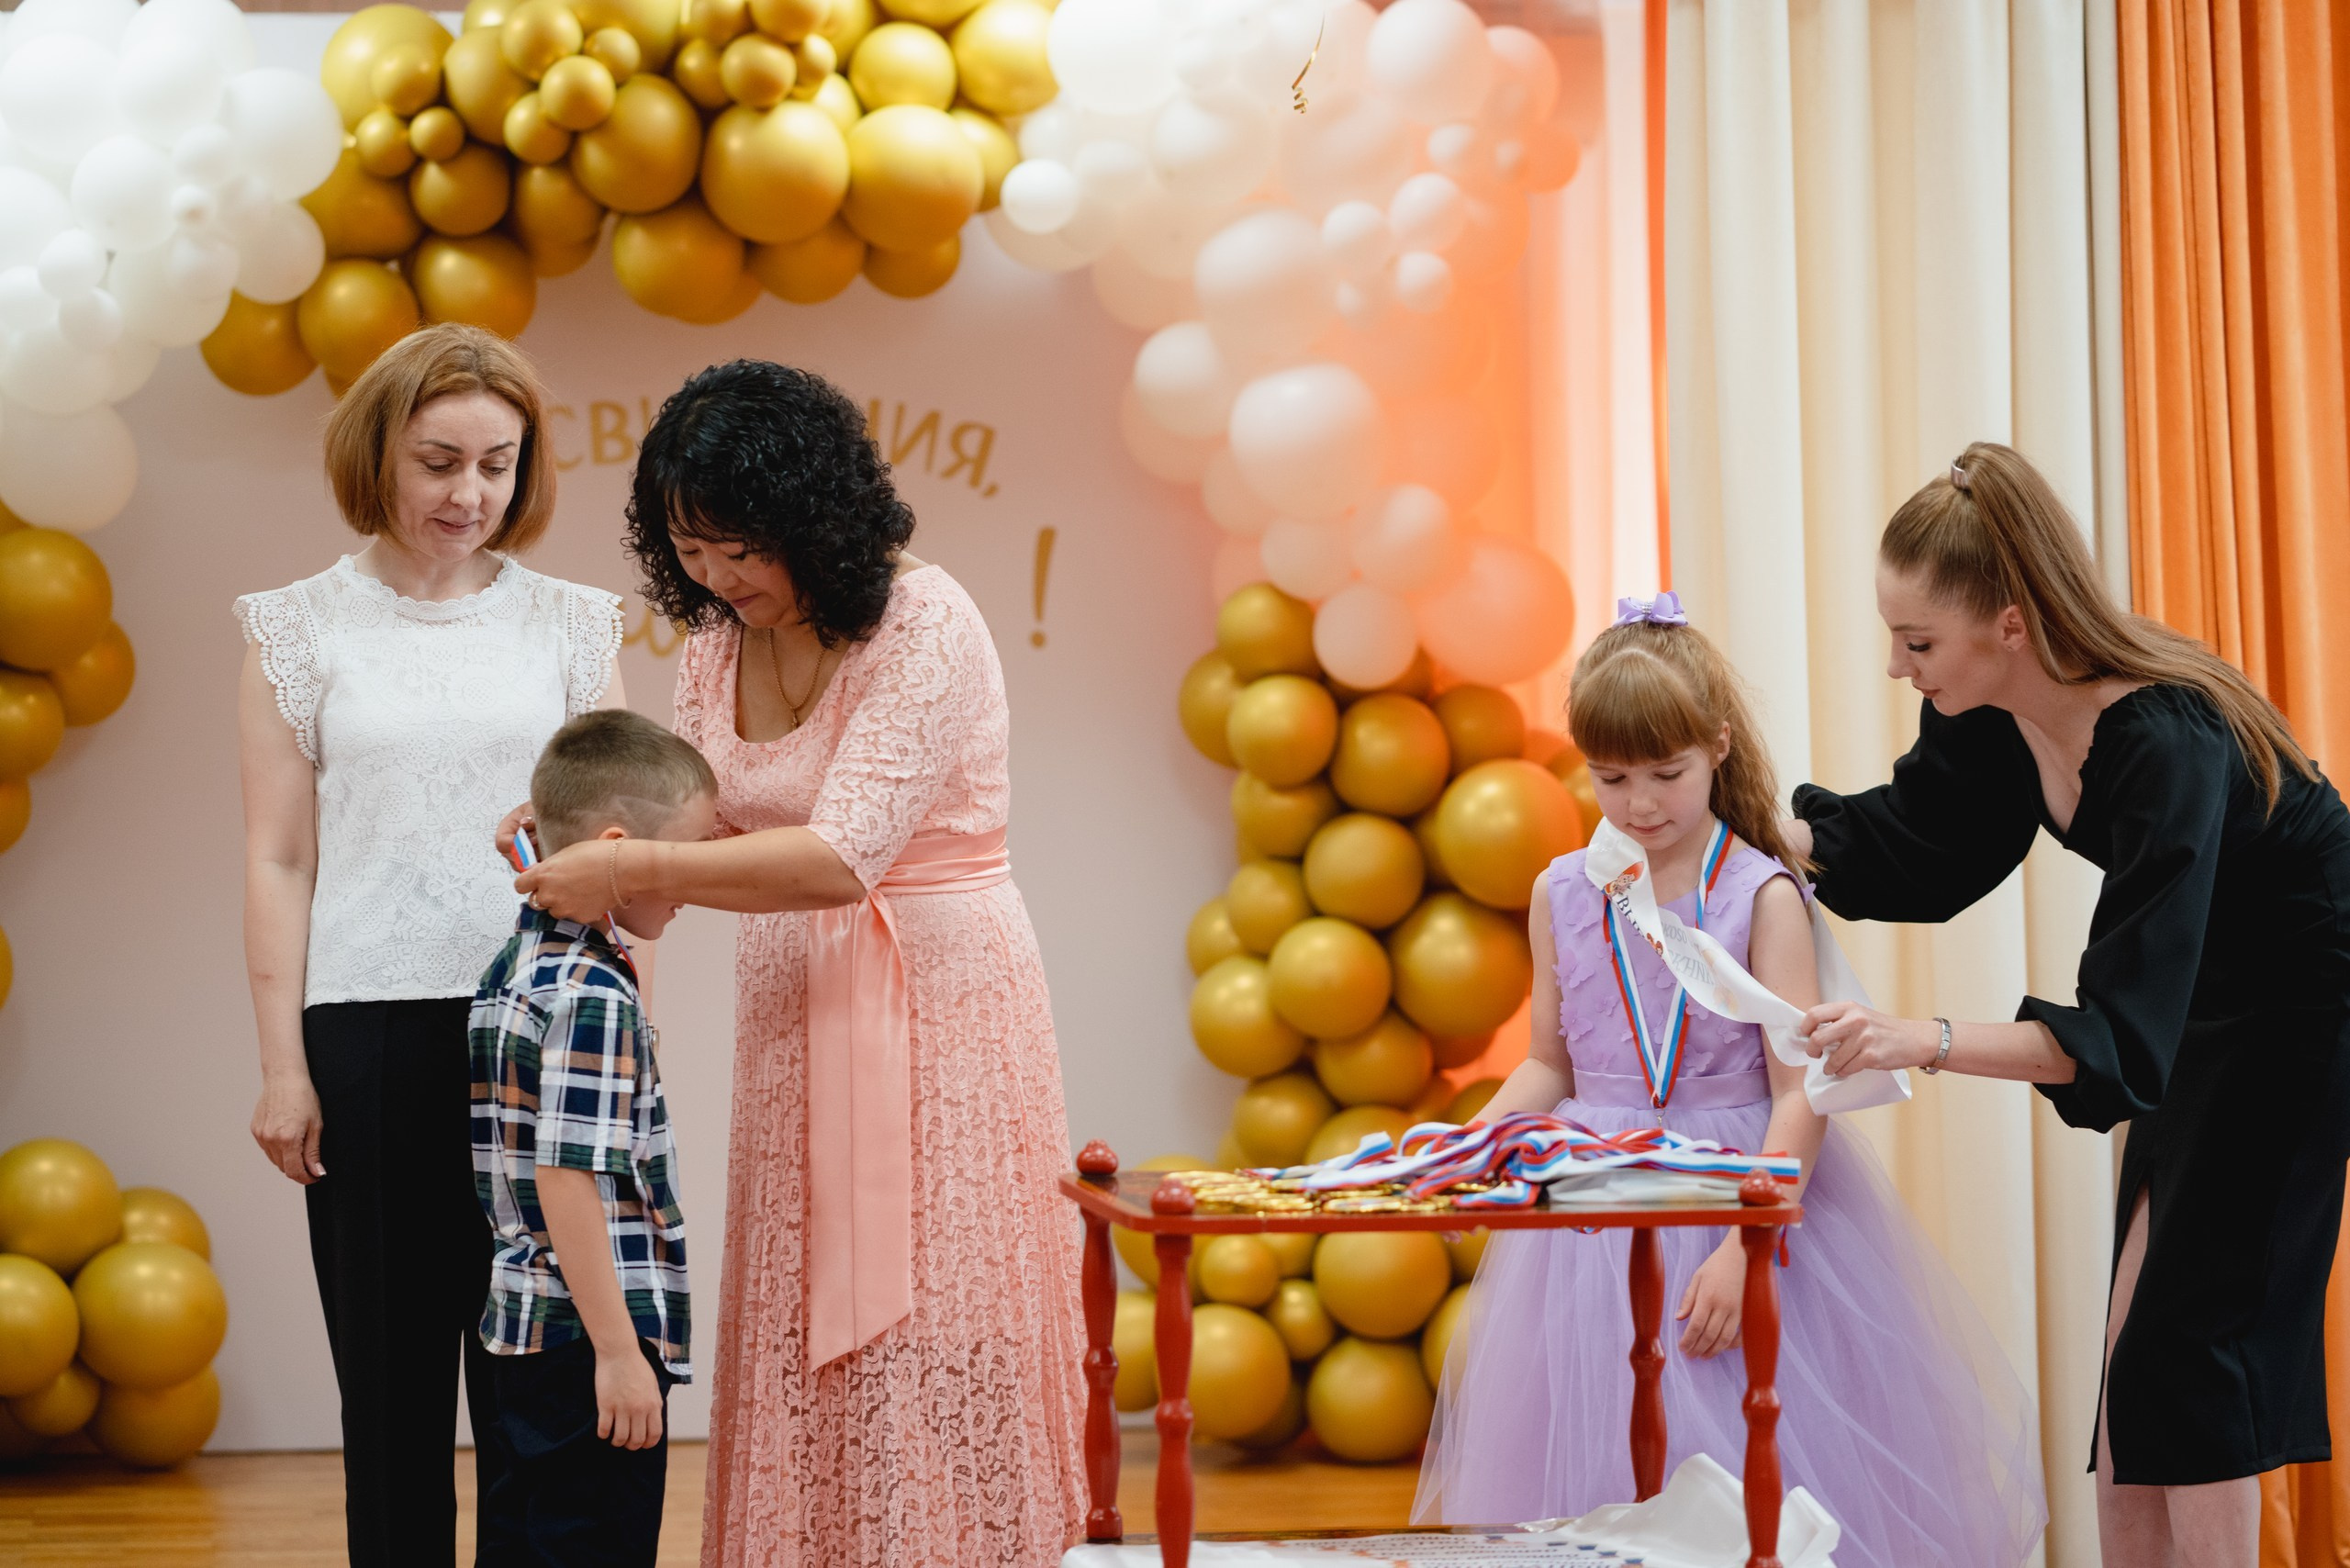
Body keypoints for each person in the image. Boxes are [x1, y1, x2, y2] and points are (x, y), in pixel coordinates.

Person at [511, 360, 1085, 1567]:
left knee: (936, 1312)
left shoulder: (930, 621)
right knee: (797, 1301)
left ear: (811, 520)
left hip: (940, 1004)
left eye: (739, 549)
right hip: (791, 1005)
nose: (717, 578)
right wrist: (579, 835)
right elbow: (696, 828)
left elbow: (841, 857)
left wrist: (625, 875)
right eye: (691, 549)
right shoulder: (716, 642)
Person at [1788, 442, 2350, 1568]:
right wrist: (1746, 836)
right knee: (2132, 1365)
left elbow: (2114, 1032)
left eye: (1917, 642)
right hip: (2193, 999)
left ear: (2007, 620)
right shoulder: (1992, 705)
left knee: (2190, 1349)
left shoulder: (2161, 739)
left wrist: (1923, 1039)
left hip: (2299, 1012)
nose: (1900, 668)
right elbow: (1921, 844)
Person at [1413, 598, 2047, 1568]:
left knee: (1743, 1481)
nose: (1639, 804)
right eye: (1612, 776)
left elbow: (1801, 1092)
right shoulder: (1561, 892)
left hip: (1742, 1199)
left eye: (1666, 773)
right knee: (1595, 1479)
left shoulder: (1761, 893)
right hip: (1593, 1209)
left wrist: (1745, 1246)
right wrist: (1470, 1143)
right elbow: (1547, 1059)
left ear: (1715, 747)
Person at [235, 323, 626, 1567]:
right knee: (391, 1398)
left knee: (541, 1393)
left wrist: (629, 1039)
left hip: (546, 1032)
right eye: (439, 462)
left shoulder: (575, 626)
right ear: (378, 458)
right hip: (370, 1037)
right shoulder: (296, 629)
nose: (470, 495)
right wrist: (284, 1067)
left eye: (498, 465)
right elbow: (278, 858)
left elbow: (618, 851)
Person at [470, 709, 715, 1567]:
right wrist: (618, 1352)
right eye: (678, 857)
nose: (691, 881)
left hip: (533, 1330)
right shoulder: (594, 995)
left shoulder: (523, 964)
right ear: (615, 849)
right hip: (588, 1337)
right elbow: (565, 1177)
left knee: (525, 1538)